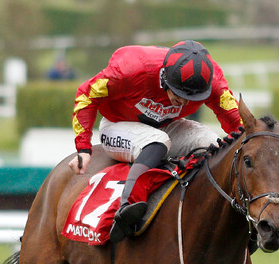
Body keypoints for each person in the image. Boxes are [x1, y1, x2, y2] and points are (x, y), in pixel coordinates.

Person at [69, 40, 242, 243]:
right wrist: (83, 148)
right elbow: (86, 94)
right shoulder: (130, 69)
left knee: (213, 144)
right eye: (179, 93)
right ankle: (127, 207)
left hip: (165, 126)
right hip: (118, 124)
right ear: (165, 79)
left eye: (191, 97)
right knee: (157, 141)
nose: (185, 102)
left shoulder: (211, 80)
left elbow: (237, 123)